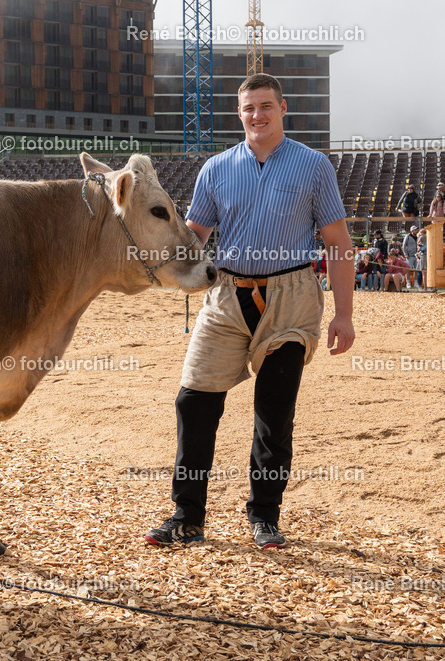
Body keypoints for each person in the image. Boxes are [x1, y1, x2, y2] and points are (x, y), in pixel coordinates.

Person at [144, 73, 354, 550]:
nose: (256, 115)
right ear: (239, 115)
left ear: (283, 109)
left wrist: (344, 314)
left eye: (265, 106)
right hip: (226, 293)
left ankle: (265, 517)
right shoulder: (216, 168)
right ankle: (187, 516)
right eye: (248, 108)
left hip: (292, 296)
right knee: (193, 402)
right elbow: (196, 235)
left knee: (273, 409)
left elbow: (339, 244)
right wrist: (157, 263)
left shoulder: (313, 165)